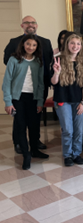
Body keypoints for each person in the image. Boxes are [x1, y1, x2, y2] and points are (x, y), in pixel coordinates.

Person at [3, 15, 53, 153]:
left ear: (36, 25)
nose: (30, 25)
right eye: (27, 23)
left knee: (35, 116)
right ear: (22, 26)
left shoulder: (45, 42)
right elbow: (7, 61)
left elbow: (48, 61)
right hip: (20, 88)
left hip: (40, 84)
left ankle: (35, 141)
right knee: (19, 118)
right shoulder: (14, 42)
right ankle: (19, 142)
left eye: (33, 22)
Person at [2, 35, 46, 170]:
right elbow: (7, 82)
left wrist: (40, 101)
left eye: (34, 45)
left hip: (33, 98)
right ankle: (26, 154)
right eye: (28, 44)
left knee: (34, 126)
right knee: (20, 126)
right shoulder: (14, 59)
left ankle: (34, 150)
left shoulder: (38, 61)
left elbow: (40, 84)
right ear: (23, 44)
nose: (31, 47)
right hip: (18, 98)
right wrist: (8, 102)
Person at [51, 34, 83, 167]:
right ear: (67, 44)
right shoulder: (58, 59)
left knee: (78, 130)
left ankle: (76, 154)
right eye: (72, 43)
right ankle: (67, 155)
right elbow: (54, 83)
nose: (75, 46)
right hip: (63, 100)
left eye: (78, 44)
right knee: (67, 129)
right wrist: (56, 72)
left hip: (78, 100)